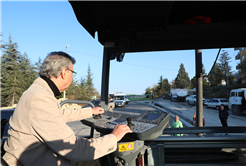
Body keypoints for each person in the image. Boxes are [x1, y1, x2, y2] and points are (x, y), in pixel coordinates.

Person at [3, 51, 132, 166]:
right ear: (65, 72)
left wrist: (89, 111)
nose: (72, 77)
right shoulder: (40, 98)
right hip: (35, 160)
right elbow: (74, 149)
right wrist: (113, 138)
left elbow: (58, 115)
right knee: (96, 158)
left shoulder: (37, 91)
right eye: (72, 72)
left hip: (35, 156)